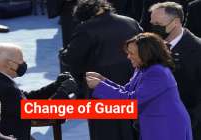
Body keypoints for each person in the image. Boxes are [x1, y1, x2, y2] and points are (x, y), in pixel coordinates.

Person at [60, 0, 142, 140]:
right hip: (132, 80)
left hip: (100, 86)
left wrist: (62, 53)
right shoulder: (131, 22)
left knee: (105, 130)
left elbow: (70, 58)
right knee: (132, 126)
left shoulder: (85, 28)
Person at [86, 32, 193, 140]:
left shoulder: (158, 73)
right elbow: (127, 91)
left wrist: (100, 86)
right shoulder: (142, 68)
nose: (128, 57)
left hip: (167, 126)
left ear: (145, 54)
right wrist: (103, 81)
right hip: (154, 124)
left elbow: (132, 101)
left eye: (132, 53)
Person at [0, 43, 78, 140]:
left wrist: (55, 86)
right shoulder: (4, 88)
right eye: (21, 60)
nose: (24, 63)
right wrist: (64, 91)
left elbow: (27, 98)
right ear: (9, 64)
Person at [149, 2, 201, 139]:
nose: (154, 28)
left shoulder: (197, 50)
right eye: (151, 23)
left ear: (176, 22)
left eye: (158, 24)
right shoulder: (149, 47)